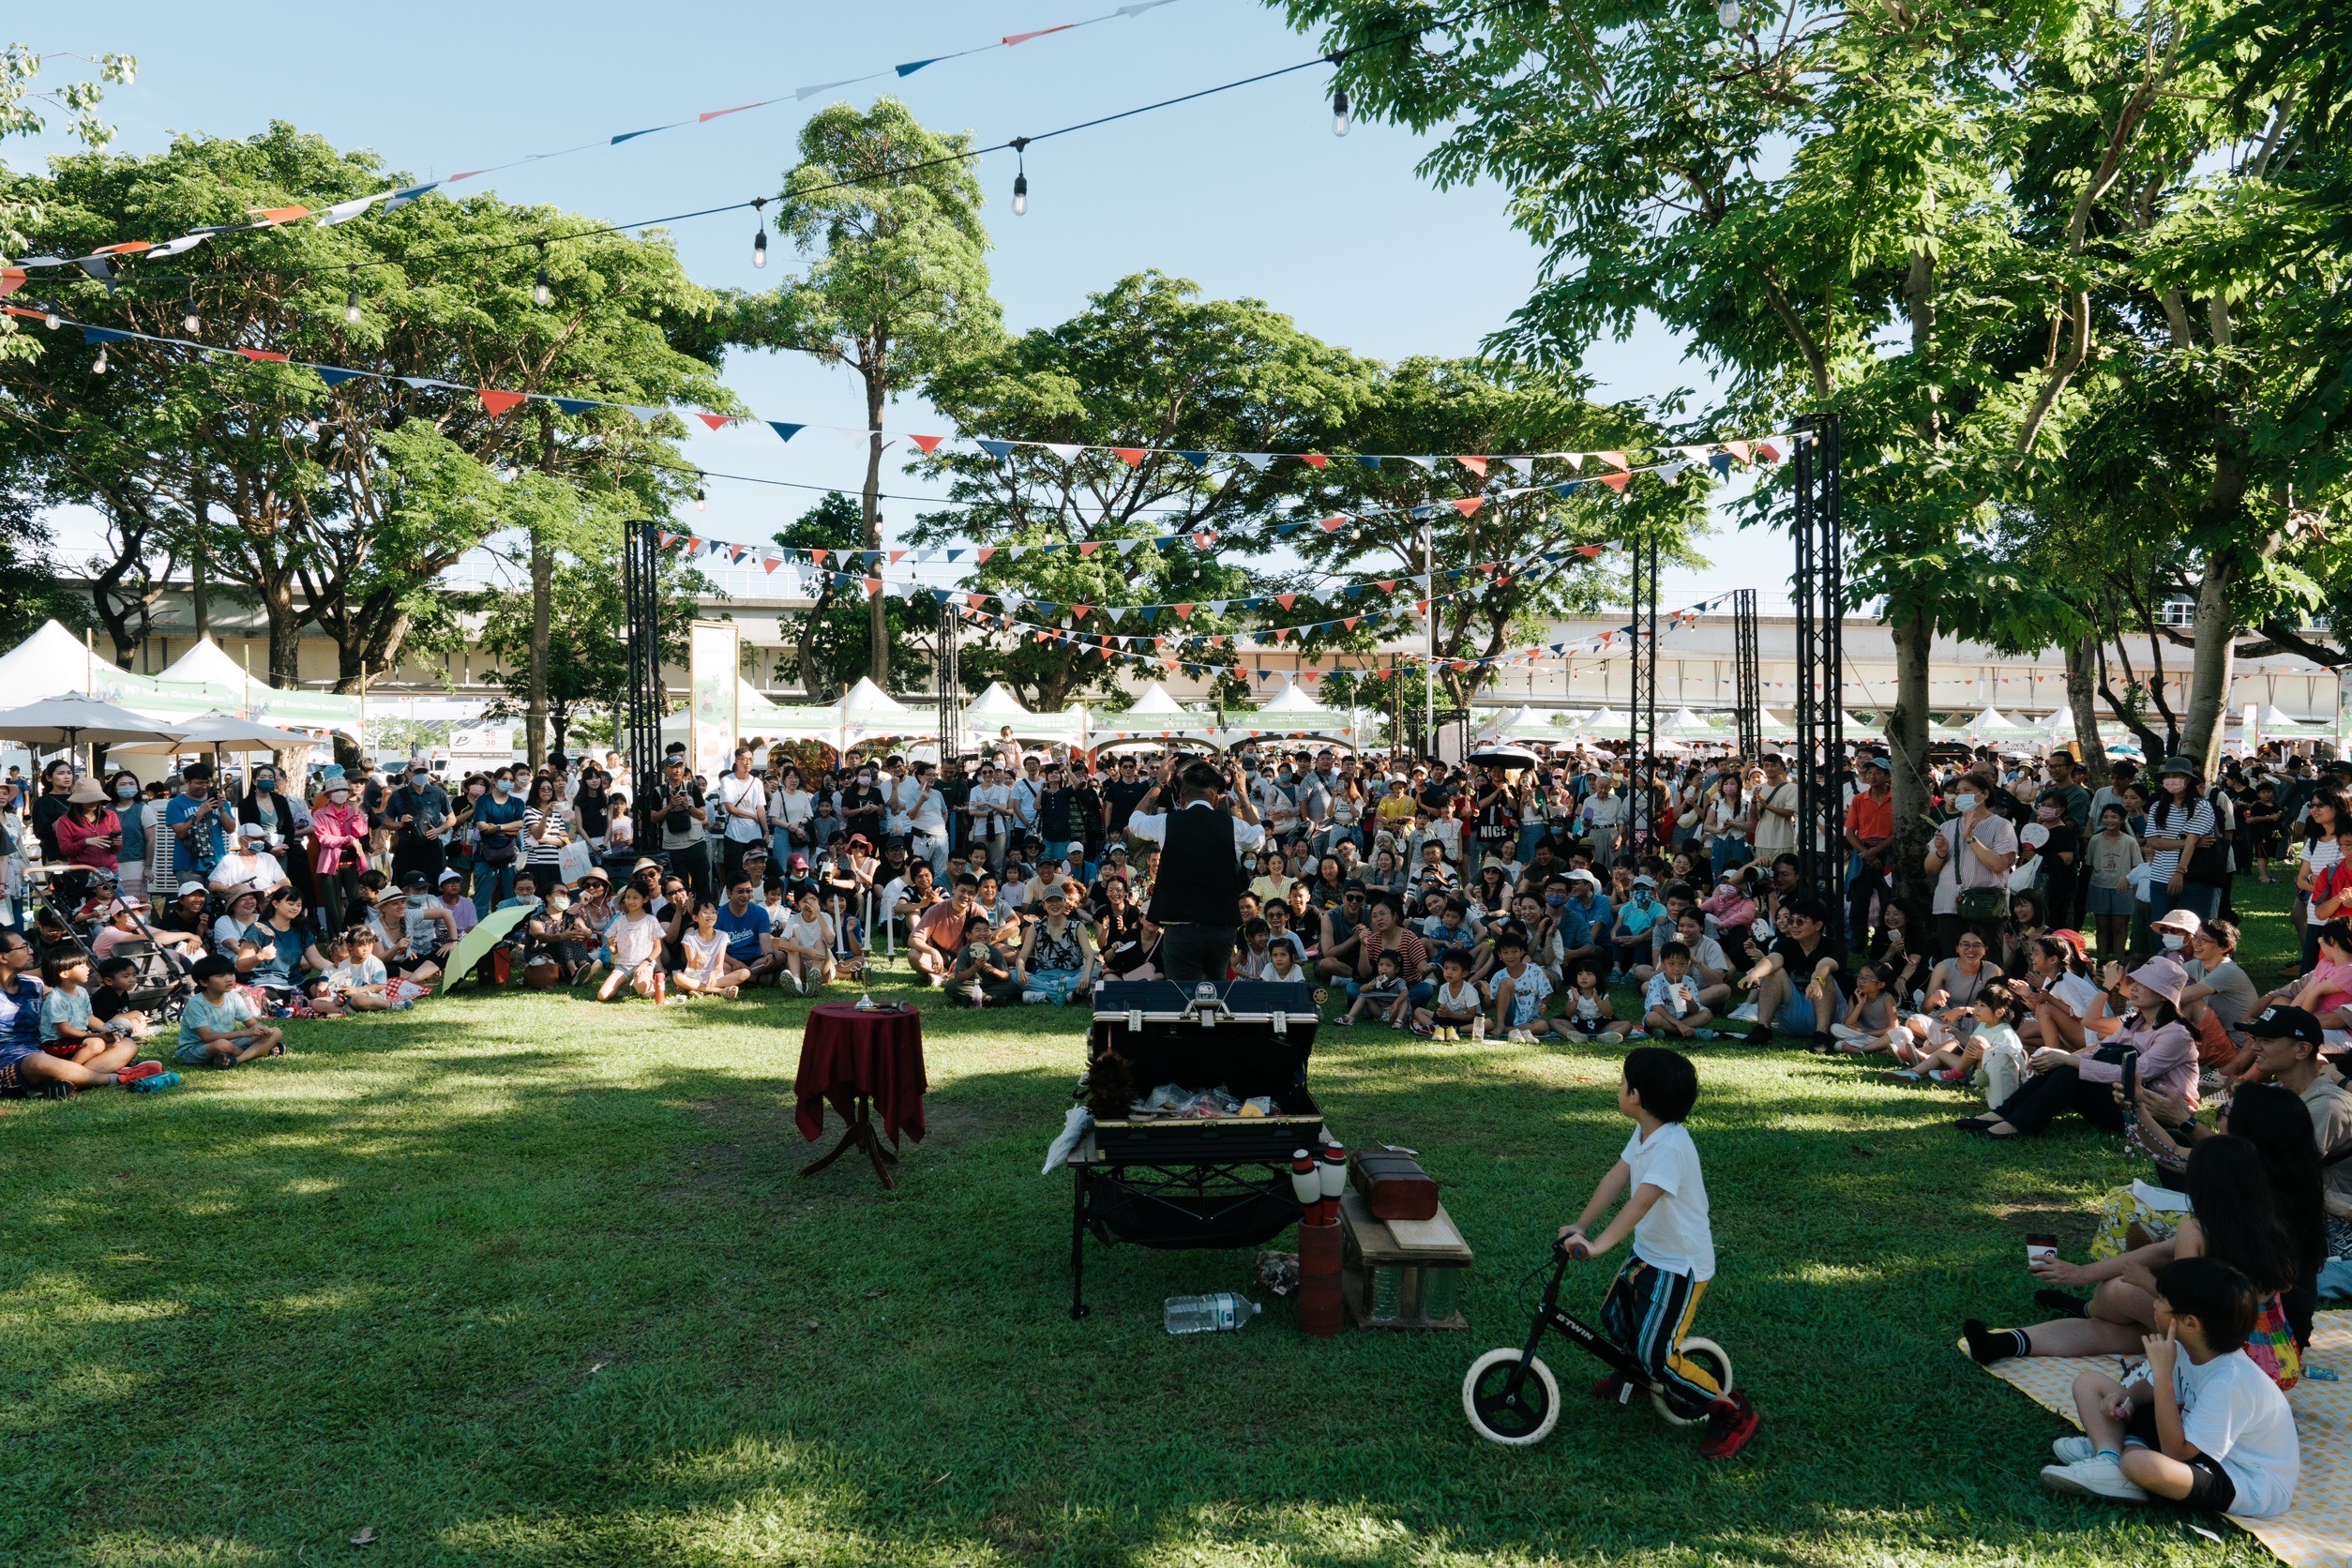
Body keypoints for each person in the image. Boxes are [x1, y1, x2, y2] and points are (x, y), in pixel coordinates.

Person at [1557, 1047, 1758, 1458]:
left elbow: (1641, 1203)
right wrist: (1581, 1225)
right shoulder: (1647, 1132)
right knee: (1615, 1316)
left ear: (1636, 1096)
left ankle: (1733, 1410)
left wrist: (1597, 1246)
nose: (1618, 1088)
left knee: (1659, 1358)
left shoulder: (1671, 1146)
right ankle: (1632, 1373)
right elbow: (1618, 1176)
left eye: (1621, 1082)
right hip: (1649, 1254)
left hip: (1678, 1268)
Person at [2039, 1256, 2298, 1514]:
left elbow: (2178, 1454)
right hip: (2193, 1440)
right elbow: (2149, 1390)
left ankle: (2117, 1458)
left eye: (2162, 1300)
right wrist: (2125, 1398)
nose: (2153, 1303)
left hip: (2243, 1479)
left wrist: (2162, 1375)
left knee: (2140, 1464)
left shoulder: (2229, 1382)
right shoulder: (2188, 1347)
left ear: (2190, 1323)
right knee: (2089, 1383)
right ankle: (2108, 1456)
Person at [1964, 957, 2196, 1138]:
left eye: (2145, 985)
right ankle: (2003, 1113)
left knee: (2069, 1071)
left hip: (2161, 1116)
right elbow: (2103, 1047)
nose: (2134, 988)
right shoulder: (2136, 1021)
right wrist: (2061, 1056)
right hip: (2127, 1101)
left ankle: (2018, 1125)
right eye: (2134, 981)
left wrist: (2068, 1061)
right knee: (2060, 1065)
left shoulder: (2176, 1034)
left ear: (2165, 996)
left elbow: (2135, 1073)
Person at [1125, 758, 1263, 986]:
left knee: (1182, 991)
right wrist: (1242, 794)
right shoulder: (1231, 824)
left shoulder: (1167, 822)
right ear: (1216, 798)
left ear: (1181, 799)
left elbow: (1135, 821)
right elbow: (1258, 838)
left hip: (1180, 928)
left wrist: (1158, 784)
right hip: (1220, 927)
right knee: (1215, 987)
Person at [1925, 770, 2018, 955]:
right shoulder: (1947, 826)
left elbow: (1999, 865)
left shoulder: (2002, 826)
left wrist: (1971, 838)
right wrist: (1941, 853)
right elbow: (1929, 868)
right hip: (1949, 905)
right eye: (1957, 792)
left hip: (1985, 906)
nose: (1960, 796)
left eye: (1967, 790)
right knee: (1951, 960)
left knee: (1988, 960)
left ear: (1984, 794)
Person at [176, 954, 285, 1068]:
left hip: (229, 1044)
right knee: (221, 1045)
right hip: (194, 1050)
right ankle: (262, 1052)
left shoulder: (234, 998)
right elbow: (207, 1037)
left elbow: (252, 1024)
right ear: (204, 982)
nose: (229, 979)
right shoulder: (196, 1004)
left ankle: (236, 1060)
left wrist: (262, 1030)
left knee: (276, 1032)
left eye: (231, 974)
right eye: (220, 976)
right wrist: (244, 1033)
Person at [1018, 884, 1098, 1004]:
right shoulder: (1036, 927)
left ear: (1064, 902)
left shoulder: (1077, 926)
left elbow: (1089, 954)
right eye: (1050, 901)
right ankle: (1062, 995)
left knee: (1094, 974)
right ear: (1044, 905)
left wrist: (1086, 975)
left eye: (1058, 900)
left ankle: (1044, 995)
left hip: (1071, 976)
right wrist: (1020, 971)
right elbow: (1021, 957)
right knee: (1013, 974)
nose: (1054, 904)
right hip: (1043, 977)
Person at [597, 882, 671, 1003]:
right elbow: (615, 951)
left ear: (645, 899)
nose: (631, 901)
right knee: (602, 995)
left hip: (643, 965)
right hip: (622, 966)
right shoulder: (619, 920)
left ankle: (646, 984)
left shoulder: (651, 920)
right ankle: (625, 985)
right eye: (628, 897)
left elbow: (657, 949)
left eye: (635, 898)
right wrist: (610, 946)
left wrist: (645, 963)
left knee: (641, 987)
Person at [165, 763, 232, 885]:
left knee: (218, 901)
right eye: (199, 783)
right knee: (192, 901)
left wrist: (222, 809)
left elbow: (231, 829)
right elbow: (180, 833)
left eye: (207, 782)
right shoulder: (175, 803)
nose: (204, 786)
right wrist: (199, 813)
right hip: (188, 865)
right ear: (187, 782)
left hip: (216, 861)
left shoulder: (219, 800)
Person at [673, 900, 751, 999]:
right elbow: (692, 969)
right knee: (678, 977)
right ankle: (720, 991)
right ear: (695, 917)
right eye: (705, 912)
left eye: (713, 912)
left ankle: (694, 989)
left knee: (745, 973)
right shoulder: (689, 937)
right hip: (694, 977)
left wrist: (713, 973)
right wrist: (697, 958)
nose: (710, 915)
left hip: (715, 979)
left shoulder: (722, 936)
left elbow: (719, 966)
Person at [774, 887, 839, 994]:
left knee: (820, 943)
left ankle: (814, 981)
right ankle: (796, 982)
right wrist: (807, 950)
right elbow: (781, 943)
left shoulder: (825, 917)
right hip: (802, 967)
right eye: (805, 901)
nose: (809, 904)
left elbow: (830, 941)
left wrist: (818, 914)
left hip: (823, 966)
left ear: (818, 901)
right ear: (797, 905)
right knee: (793, 941)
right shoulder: (794, 920)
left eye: (813, 899)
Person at [1643, 942, 1712, 1042]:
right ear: (1663, 963)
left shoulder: (1688, 981)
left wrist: (1691, 1001)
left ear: (1687, 964)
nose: (1677, 969)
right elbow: (1656, 1007)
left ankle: (1669, 1031)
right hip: (1663, 1017)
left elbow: (1695, 1011)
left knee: (1706, 1014)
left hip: (1683, 1018)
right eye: (1671, 964)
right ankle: (1692, 1032)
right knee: (1652, 1018)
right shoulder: (1656, 980)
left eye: (1682, 964)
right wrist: (1679, 1025)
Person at [1413, 951, 1485, 1039]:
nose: (1448, 972)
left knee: (1487, 1023)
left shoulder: (1469, 991)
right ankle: (1437, 1028)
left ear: (1464, 973)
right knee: (1418, 1011)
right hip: (1448, 1018)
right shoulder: (1443, 988)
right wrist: (1443, 1012)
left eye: (1454, 969)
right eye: (1446, 968)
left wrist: (1451, 1015)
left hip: (1465, 1021)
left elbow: (1471, 1016)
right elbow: (1443, 1009)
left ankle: (1455, 1030)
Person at [209, 822, 288, 899]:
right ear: (240, 841)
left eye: (262, 839)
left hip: (266, 900)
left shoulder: (268, 858)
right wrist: (237, 891)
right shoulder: (229, 860)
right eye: (255, 838)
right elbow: (213, 885)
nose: (259, 841)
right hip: (240, 901)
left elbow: (284, 881)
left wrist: (267, 891)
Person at [1343, 949, 1411, 1028]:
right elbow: (1362, 989)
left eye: (1388, 965)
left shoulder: (1399, 981)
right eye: (1381, 964)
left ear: (1396, 969)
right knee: (1365, 994)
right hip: (1378, 1013)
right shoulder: (1377, 980)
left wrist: (1395, 1004)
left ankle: (1398, 1021)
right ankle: (1350, 1016)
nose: (1383, 968)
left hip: (1393, 1013)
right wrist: (1374, 984)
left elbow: (1405, 992)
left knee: (1404, 999)